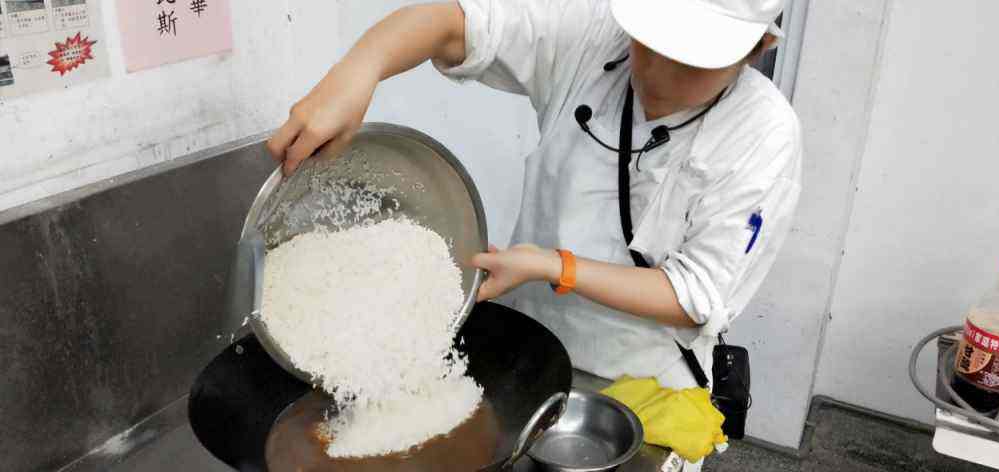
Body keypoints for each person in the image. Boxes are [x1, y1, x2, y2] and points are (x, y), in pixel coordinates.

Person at [268, 0, 801, 466]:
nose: (657, 72)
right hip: (529, 357)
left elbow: (694, 295)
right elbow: (451, 24)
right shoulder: (595, 36)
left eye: (690, 61)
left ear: (758, 48)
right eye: (649, 41)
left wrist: (554, 266)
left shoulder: (763, 134)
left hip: (644, 388)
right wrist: (360, 69)